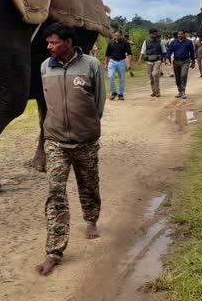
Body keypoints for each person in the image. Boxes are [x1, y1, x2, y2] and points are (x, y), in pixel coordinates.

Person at [37, 23, 105, 276]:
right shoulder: (45, 67)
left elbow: (98, 103)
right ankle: (54, 251)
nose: (49, 47)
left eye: (53, 43)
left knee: (88, 185)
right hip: (55, 141)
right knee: (55, 192)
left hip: (85, 140)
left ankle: (91, 219)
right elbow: (47, 103)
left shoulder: (91, 66)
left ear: (67, 42)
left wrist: (88, 127)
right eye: (48, 43)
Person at [165, 29, 195, 99]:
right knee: (177, 77)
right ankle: (179, 91)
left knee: (183, 75)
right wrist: (167, 58)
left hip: (185, 61)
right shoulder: (173, 42)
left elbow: (192, 53)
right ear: (177, 35)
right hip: (176, 62)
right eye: (179, 34)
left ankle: (183, 92)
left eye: (182, 34)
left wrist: (193, 61)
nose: (180, 35)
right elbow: (169, 51)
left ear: (184, 34)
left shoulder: (189, 42)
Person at [137, 28, 167, 97]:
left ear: (156, 34)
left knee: (155, 74)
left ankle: (158, 91)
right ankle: (153, 91)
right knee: (150, 76)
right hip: (149, 61)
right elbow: (143, 51)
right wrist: (140, 59)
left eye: (155, 34)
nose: (154, 35)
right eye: (152, 34)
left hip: (157, 60)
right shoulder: (146, 41)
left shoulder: (160, 41)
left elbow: (164, 51)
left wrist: (166, 59)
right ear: (150, 34)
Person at [104, 30, 132, 100]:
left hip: (122, 62)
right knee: (110, 77)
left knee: (122, 79)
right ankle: (113, 92)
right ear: (114, 35)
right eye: (115, 35)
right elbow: (107, 54)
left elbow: (129, 54)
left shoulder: (125, 43)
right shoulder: (110, 43)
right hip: (112, 62)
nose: (117, 37)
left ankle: (120, 94)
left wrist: (129, 63)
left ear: (121, 36)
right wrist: (105, 64)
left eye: (118, 36)